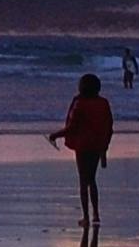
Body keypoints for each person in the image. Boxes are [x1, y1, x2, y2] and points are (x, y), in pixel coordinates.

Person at [47, 72, 115, 225]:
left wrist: (55, 135)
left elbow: (72, 127)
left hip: (83, 146)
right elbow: (109, 126)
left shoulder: (80, 104)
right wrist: (105, 147)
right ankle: (96, 214)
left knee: (84, 182)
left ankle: (86, 217)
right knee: (92, 179)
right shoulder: (103, 103)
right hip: (98, 145)